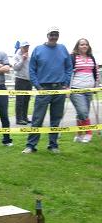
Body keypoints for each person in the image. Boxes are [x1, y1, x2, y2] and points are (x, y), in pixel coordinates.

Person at [22, 26, 72, 154]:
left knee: (56, 119)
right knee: (37, 118)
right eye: (51, 34)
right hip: (43, 88)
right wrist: (38, 86)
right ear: (47, 35)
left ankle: (53, 145)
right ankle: (31, 145)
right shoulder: (38, 49)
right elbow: (32, 69)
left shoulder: (63, 48)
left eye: (56, 34)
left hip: (59, 89)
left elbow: (69, 67)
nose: (54, 36)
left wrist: (65, 83)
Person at [70, 38, 100, 143]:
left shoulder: (91, 57)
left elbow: (95, 72)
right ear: (78, 46)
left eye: (86, 44)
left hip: (89, 90)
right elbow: (69, 72)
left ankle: (79, 134)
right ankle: (88, 132)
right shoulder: (73, 57)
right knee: (83, 112)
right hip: (76, 89)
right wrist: (66, 88)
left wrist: (96, 85)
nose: (84, 46)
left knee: (82, 113)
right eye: (82, 44)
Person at [13, 41, 32, 125]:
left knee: (27, 100)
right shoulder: (16, 56)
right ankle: (19, 119)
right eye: (25, 47)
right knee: (20, 100)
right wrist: (22, 59)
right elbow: (16, 68)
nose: (26, 48)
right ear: (21, 47)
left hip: (28, 80)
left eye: (27, 47)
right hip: (20, 80)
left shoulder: (29, 55)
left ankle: (24, 117)